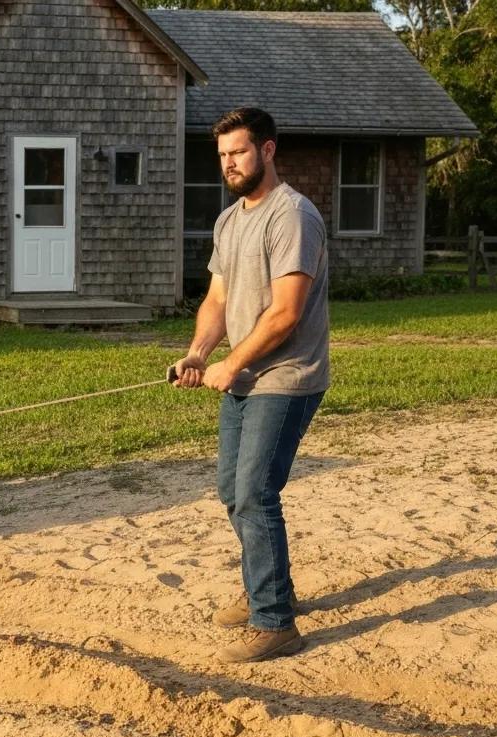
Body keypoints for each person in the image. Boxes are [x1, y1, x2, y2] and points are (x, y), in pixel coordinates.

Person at [172, 106, 330, 664]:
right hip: (242, 375)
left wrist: (232, 362)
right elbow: (217, 301)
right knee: (231, 491)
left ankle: (275, 622)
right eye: (222, 156)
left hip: (287, 377)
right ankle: (273, 588)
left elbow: (286, 314)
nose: (228, 164)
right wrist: (198, 355)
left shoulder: (293, 216)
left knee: (256, 492)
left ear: (267, 150)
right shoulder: (230, 219)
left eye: (238, 152)